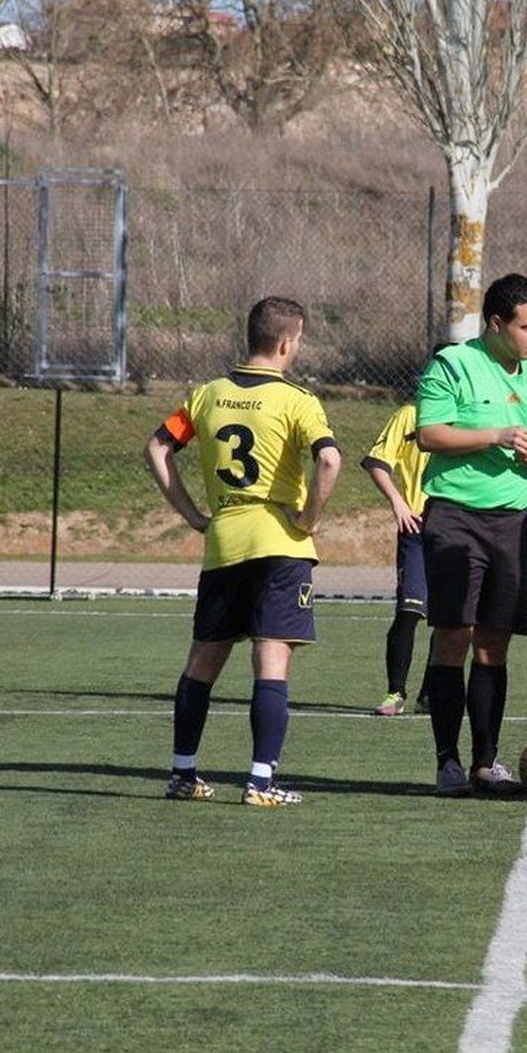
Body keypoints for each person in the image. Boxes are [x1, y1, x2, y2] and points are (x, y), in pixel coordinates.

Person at [142, 296, 343, 807]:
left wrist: (191, 514)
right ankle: (260, 782)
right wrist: (308, 519)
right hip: (279, 543)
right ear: (285, 343)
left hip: (225, 539)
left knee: (203, 661)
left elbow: (157, 448)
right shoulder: (297, 400)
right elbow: (330, 461)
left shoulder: (206, 396)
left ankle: (183, 774)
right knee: (271, 659)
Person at [415, 273, 527, 797]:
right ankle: (447, 762)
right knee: (454, 635)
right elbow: (429, 434)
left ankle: (487, 763)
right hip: (455, 518)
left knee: (494, 643)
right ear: (495, 324)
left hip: (514, 522)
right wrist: (497, 434)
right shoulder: (454, 365)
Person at [360, 392, 433, 716]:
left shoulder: (476, 417)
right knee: (410, 611)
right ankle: (395, 692)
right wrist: (398, 501)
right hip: (418, 526)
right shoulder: (410, 415)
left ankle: (431, 693)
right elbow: (377, 461)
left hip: (462, 528)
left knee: (456, 622)